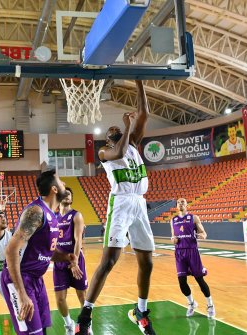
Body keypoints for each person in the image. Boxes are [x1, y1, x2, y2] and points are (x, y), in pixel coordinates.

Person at [76, 80, 155, 335]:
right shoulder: (105, 152)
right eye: (112, 130)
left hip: (139, 203)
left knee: (148, 262)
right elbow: (120, 153)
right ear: (108, 139)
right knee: (109, 261)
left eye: (116, 128)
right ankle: (85, 315)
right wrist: (127, 125)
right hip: (120, 204)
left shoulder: (132, 144)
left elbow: (144, 113)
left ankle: (140, 311)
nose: (114, 129)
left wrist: (138, 80)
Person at [0, 169, 81, 335]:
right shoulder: (36, 212)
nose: (64, 183)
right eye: (60, 181)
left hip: (36, 280)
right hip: (20, 278)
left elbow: (46, 252)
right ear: (54, 189)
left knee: (42, 331)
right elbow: (10, 251)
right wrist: (21, 294)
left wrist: (66, 256)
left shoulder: (52, 215)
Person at [171, 198, 215, 319]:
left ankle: (210, 305)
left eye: (183, 202)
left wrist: (202, 235)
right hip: (179, 253)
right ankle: (191, 303)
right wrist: (173, 240)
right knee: (181, 281)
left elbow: (204, 233)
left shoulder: (193, 218)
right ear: (176, 206)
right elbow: (173, 236)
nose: (181, 203)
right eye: (179, 202)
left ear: (186, 205)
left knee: (199, 280)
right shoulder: (173, 220)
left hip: (192, 252)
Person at [54, 187, 89, 335]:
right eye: (65, 193)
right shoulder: (53, 217)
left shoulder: (76, 215)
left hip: (75, 259)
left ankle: (86, 326)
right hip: (59, 261)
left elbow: (78, 240)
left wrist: (74, 263)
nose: (68, 195)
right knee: (60, 300)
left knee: (83, 297)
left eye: (70, 193)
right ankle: (69, 324)